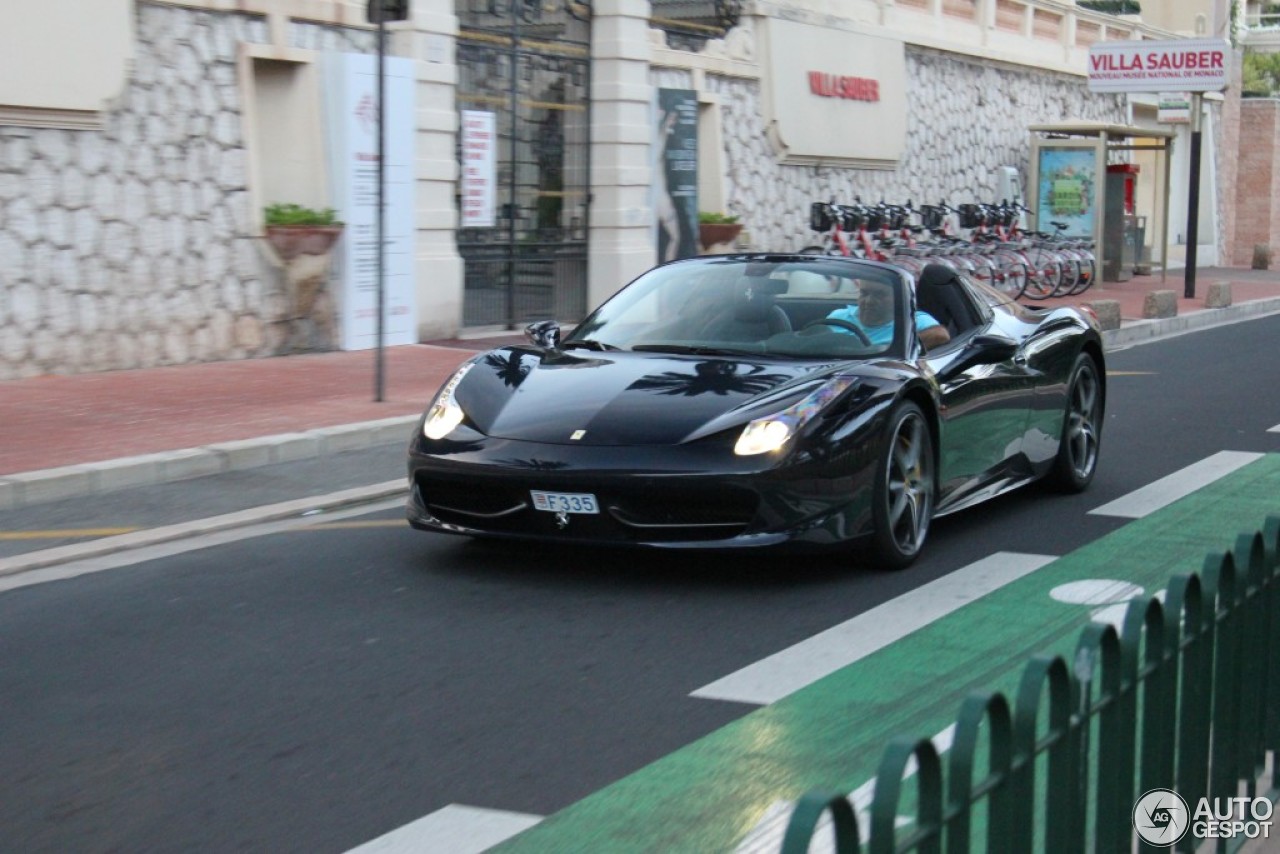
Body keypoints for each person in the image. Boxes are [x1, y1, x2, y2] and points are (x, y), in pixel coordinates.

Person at [825, 279, 951, 350]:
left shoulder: (913, 320)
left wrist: (891, 349)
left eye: (879, 295)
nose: (869, 301)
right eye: (864, 293)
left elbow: (940, 335)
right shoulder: (838, 317)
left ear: (899, 298)